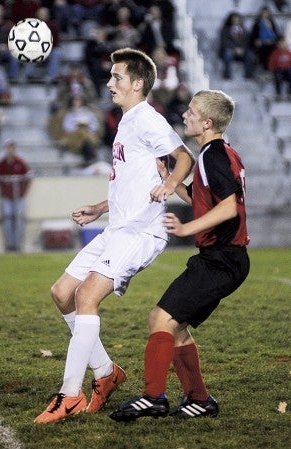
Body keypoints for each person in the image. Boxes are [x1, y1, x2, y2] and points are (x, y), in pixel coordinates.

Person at [34, 47, 194, 424]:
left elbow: (183, 155)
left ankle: (69, 395)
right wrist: (97, 207)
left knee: (86, 296)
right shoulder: (125, 122)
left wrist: (170, 183)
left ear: (138, 84)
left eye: (117, 77)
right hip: (117, 226)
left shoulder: (146, 118)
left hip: (141, 231)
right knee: (62, 293)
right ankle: (106, 372)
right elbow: (128, 183)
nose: (109, 83)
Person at [110, 89, 250, 422]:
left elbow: (229, 208)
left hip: (221, 259)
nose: (185, 115)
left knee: (160, 319)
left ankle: (152, 397)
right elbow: (208, 203)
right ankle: (199, 399)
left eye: (191, 111)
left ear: (207, 122)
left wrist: (188, 230)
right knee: (176, 327)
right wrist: (171, 182)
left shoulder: (213, 155)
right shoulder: (217, 153)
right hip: (224, 258)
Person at [0, 140, 32, 252]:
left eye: (12, 148)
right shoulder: (1, 163)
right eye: (8, 148)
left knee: (19, 219)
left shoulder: (20, 162)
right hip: (6, 197)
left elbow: (28, 177)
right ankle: (10, 244)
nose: (10, 150)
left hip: (19, 197)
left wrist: (23, 192)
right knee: (7, 218)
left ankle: (18, 244)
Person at [218, 12, 256, 79]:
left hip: (242, 51)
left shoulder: (244, 30)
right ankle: (227, 75)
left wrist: (243, 49)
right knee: (228, 54)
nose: (236, 21)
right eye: (234, 19)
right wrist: (234, 49)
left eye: (237, 19)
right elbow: (224, 41)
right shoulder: (225, 29)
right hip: (230, 50)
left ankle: (249, 76)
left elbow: (247, 41)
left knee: (251, 56)